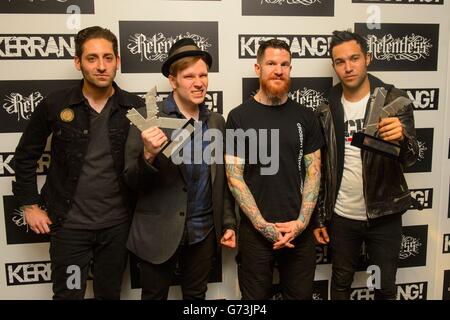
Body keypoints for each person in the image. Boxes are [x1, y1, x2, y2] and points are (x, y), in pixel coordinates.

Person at [12, 26, 144, 299]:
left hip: (116, 228)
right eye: (92, 58)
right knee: (69, 296)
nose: (101, 66)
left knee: (109, 295)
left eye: (108, 58)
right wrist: (29, 204)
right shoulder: (56, 104)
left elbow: (146, 166)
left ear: (118, 61)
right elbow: (25, 156)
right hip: (70, 229)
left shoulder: (134, 107)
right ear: (78, 62)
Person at [124, 38, 237, 300]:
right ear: (173, 81)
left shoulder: (217, 122)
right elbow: (130, 181)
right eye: (189, 76)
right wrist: (148, 155)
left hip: (203, 231)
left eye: (203, 75)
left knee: (196, 297)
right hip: (158, 232)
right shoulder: (146, 119)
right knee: (154, 296)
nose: (199, 83)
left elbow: (221, 182)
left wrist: (229, 221)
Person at [313, 30, 419, 300]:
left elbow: (410, 158)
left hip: (384, 214)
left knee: (384, 287)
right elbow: (322, 168)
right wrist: (321, 216)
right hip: (342, 216)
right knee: (340, 282)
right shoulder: (327, 107)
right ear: (334, 65)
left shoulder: (394, 100)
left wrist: (404, 139)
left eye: (354, 58)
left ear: (368, 59)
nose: (348, 67)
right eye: (339, 61)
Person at [225, 39, 323, 299]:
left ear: (290, 69)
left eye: (284, 65)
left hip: (298, 231)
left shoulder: (306, 116)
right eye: (271, 63)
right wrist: (262, 225)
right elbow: (234, 178)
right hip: (255, 233)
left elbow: (314, 173)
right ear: (258, 68)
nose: (278, 70)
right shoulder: (238, 117)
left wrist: (301, 223)